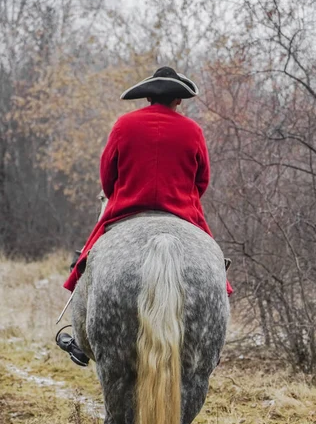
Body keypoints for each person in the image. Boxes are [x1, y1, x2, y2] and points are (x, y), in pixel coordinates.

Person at [56, 66, 232, 366]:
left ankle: (82, 341)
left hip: (126, 208)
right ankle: (213, 337)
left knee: (87, 260)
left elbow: (107, 178)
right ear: (178, 100)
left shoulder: (123, 125)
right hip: (183, 211)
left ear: (147, 96)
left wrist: (122, 192)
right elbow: (202, 181)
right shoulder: (193, 130)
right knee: (217, 269)